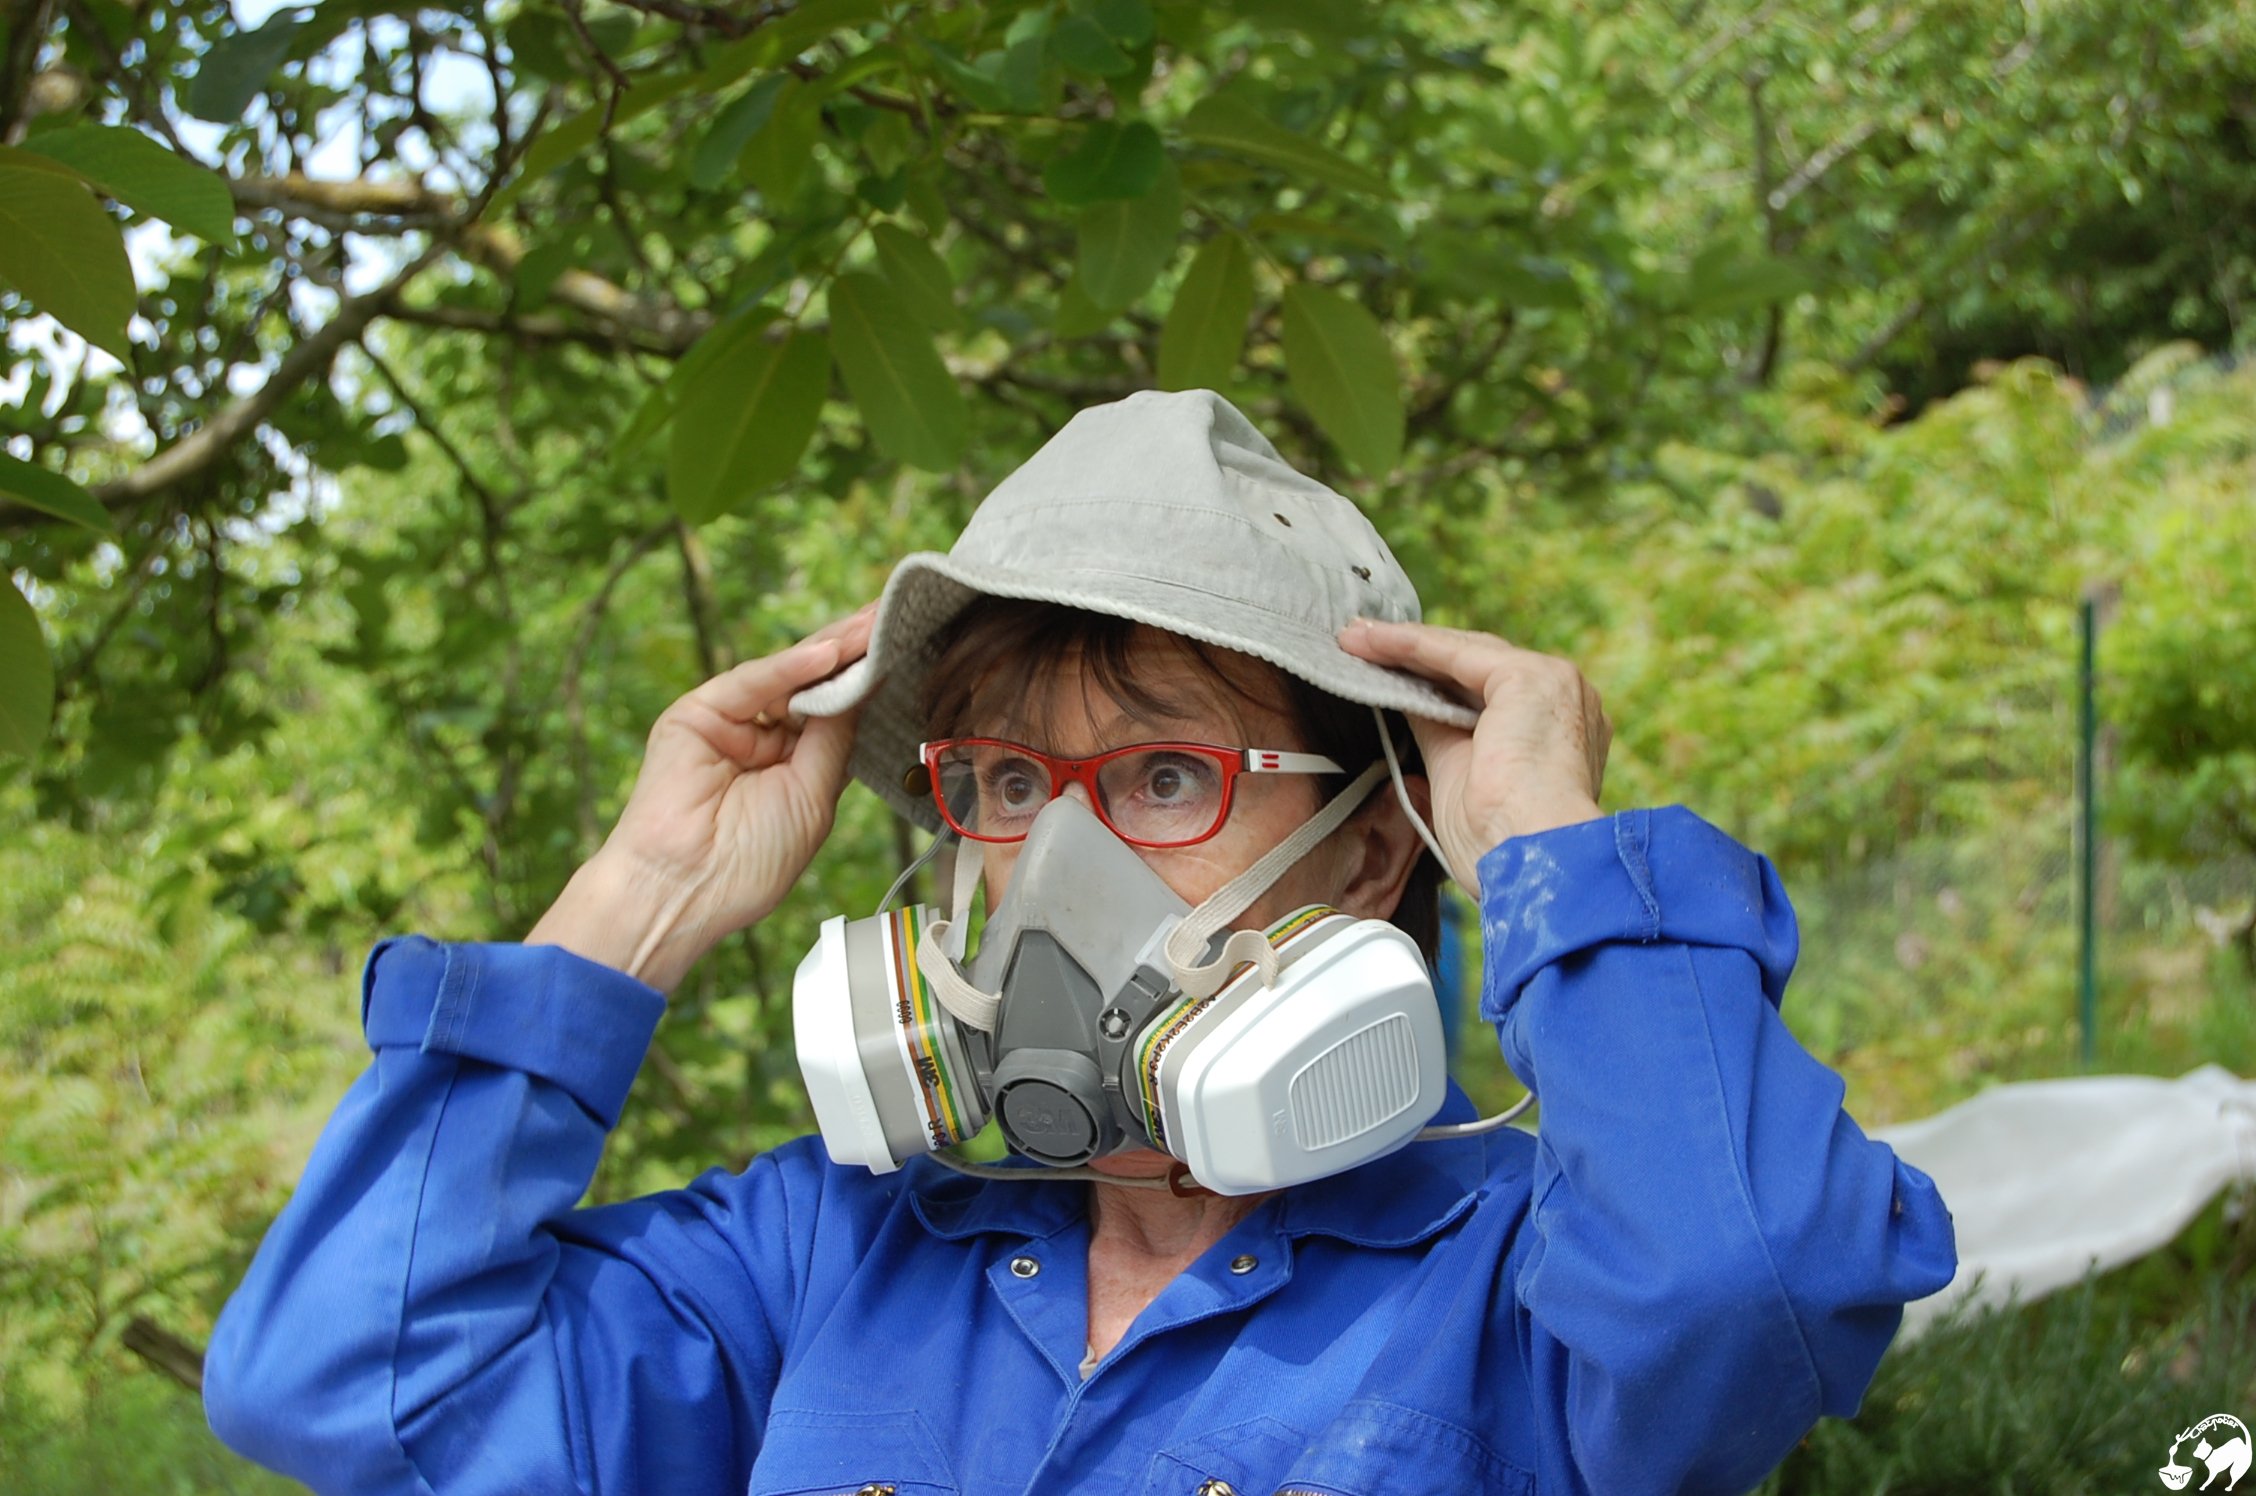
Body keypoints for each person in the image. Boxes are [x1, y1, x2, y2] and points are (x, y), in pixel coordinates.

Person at [204, 389, 1958, 1495]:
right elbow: (352, 1388)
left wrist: (1551, 850)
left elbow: (1749, 1288)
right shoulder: (823, 1256)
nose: (1054, 856)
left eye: (1167, 776)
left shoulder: (1519, 1283)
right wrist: (642, 895)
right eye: (999, 781)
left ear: (1372, 851)